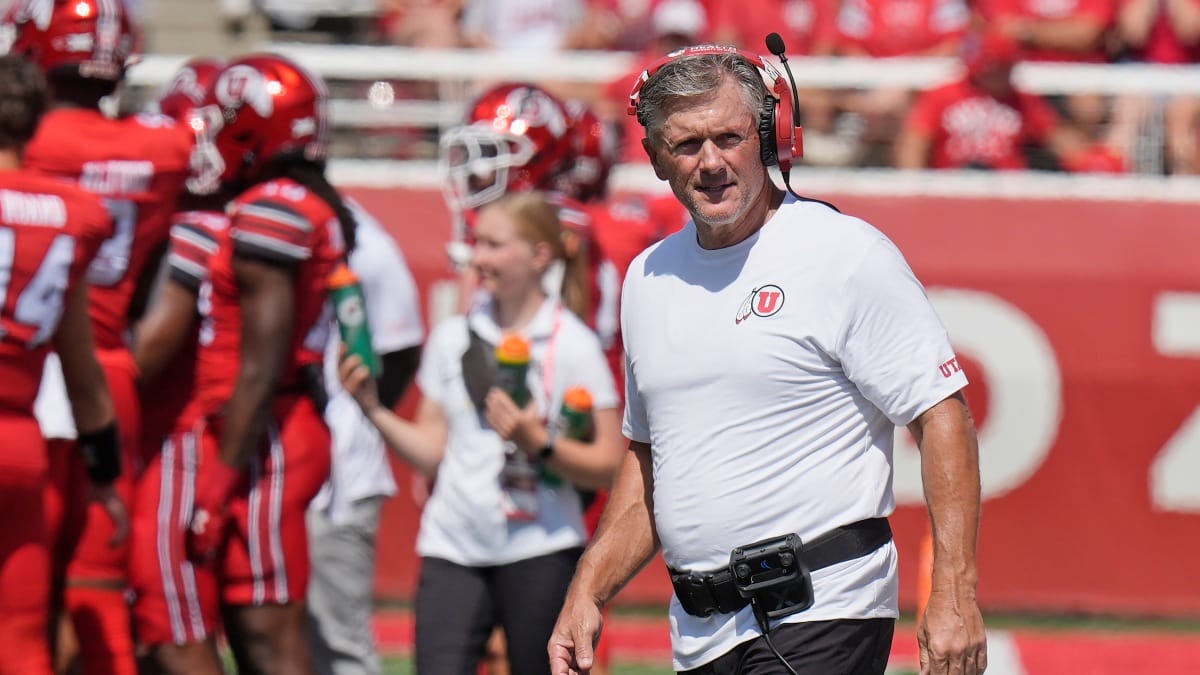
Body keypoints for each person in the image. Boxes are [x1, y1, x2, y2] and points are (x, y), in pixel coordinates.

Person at [549, 45, 986, 675]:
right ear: (653, 158)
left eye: (728, 137)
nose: (709, 163)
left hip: (824, 608)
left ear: (770, 137)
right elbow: (650, 462)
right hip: (700, 630)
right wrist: (587, 588)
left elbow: (942, 417)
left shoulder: (842, 252)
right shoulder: (647, 277)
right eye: (686, 144)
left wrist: (953, 592)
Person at [338, 190, 624, 674]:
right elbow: (434, 452)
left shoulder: (573, 344)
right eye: (477, 243)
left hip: (543, 547)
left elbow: (610, 465)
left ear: (538, 256)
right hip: (452, 546)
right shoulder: (453, 338)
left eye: (493, 245)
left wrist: (541, 442)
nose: (478, 257)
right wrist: (372, 409)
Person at [129, 53, 347, 674]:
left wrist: (220, 478)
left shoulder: (264, 209)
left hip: (252, 432)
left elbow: (260, 358)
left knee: (253, 625)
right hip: (249, 427)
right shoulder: (278, 203)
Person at [5, 1, 193, 672]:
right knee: (92, 584)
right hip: (103, 375)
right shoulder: (166, 147)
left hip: (31, 377)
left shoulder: (39, 146)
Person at [0, 53, 127, 674]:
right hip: (20, 445)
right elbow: (82, 373)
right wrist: (104, 472)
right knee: (22, 640)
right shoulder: (70, 215)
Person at [306, 198, 424, 675]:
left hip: (337, 474)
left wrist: (352, 418)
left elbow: (401, 350)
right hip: (265, 464)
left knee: (339, 644)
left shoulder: (363, 239)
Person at [895, 30, 1121, 171]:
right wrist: (917, 188)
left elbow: (1058, 137)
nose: (1003, 76)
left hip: (1004, 188)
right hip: (954, 184)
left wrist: (1095, 162)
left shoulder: (1020, 98)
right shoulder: (943, 94)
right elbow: (915, 141)